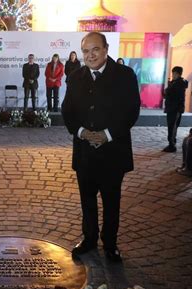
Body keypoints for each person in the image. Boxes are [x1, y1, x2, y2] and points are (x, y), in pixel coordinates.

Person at [62, 32, 140, 262]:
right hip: (85, 151)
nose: (90, 55)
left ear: (106, 49)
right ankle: (89, 239)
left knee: (111, 201)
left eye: (95, 49)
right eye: (85, 51)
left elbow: (131, 111)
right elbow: (68, 111)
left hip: (113, 152)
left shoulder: (125, 75)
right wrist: (81, 132)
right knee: (87, 201)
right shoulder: (75, 77)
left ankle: (110, 244)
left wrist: (106, 135)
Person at [162, 66, 188, 152]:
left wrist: (167, 91)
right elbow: (166, 94)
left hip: (175, 109)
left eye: (174, 73)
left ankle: (172, 145)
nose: (173, 75)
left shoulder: (179, 84)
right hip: (171, 108)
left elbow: (175, 96)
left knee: (172, 127)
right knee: (171, 126)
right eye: (173, 73)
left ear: (178, 74)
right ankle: (171, 143)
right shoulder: (174, 83)